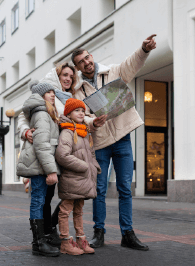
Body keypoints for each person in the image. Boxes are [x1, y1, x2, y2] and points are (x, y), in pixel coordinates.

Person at [71, 34, 157, 251]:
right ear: (78, 67)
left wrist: (144, 49)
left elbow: (132, 63)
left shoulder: (112, 72)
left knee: (125, 189)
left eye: (87, 58)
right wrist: (93, 122)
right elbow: (82, 115)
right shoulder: (79, 91)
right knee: (99, 190)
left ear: (92, 56)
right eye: (81, 62)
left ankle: (127, 234)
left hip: (122, 139)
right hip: (100, 143)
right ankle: (98, 233)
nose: (87, 63)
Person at [17, 62, 78, 247]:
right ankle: (42, 237)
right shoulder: (43, 107)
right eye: (64, 75)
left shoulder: (67, 97)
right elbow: (27, 123)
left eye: (71, 76)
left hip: (59, 156)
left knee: (58, 195)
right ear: (57, 77)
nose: (68, 78)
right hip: (47, 160)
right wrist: (26, 131)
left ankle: (46, 232)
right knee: (42, 198)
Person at [16, 80, 61, 257]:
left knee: (39, 200)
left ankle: (40, 241)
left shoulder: (46, 112)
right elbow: (42, 145)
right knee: (38, 201)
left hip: (40, 165)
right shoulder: (42, 113)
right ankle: (39, 243)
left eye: (53, 92)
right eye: (49, 92)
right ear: (40, 95)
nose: (52, 94)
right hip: (40, 166)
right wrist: (51, 170)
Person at [55, 99, 101, 255]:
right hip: (72, 178)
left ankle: (81, 240)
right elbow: (62, 155)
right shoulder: (67, 131)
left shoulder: (84, 132)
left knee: (79, 210)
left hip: (82, 179)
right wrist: (84, 166)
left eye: (83, 110)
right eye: (77, 110)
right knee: (65, 210)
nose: (81, 113)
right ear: (68, 113)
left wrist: (94, 167)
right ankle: (65, 242)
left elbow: (92, 153)